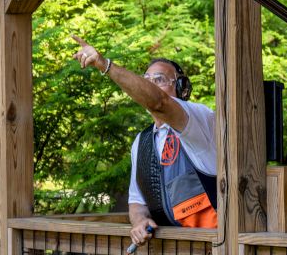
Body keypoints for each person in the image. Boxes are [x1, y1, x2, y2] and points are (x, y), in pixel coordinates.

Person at [72, 35, 217, 249]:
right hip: (173, 249)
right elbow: (137, 202)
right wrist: (140, 221)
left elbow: (159, 102)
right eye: (146, 79)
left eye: (159, 79)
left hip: (215, 246)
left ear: (181, 87)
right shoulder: (142, 141)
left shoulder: (198, 118)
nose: (149, 85)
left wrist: (105, 65)